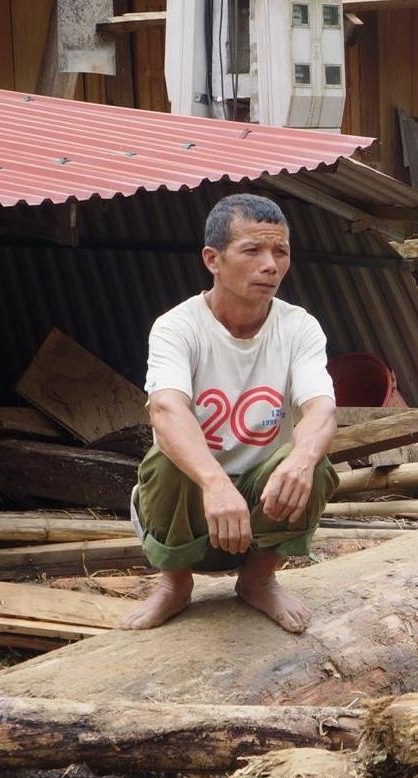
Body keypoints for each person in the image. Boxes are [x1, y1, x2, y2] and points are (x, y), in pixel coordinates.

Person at [120, 193, 339, 633]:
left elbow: (322, 408)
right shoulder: (177, 327)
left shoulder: (299, 327)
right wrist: (215, 483)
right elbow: (165, 408)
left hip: (263, 508)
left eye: (280, 251)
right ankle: (175, 585)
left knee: (313, 464)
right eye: (252, 250)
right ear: (212, 259)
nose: (271, 265)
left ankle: (258, 579)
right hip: (190, 511)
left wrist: (300, 459)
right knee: (167, 459)